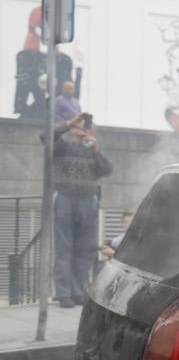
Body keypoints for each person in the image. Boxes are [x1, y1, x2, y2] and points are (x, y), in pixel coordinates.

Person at [52, 113, 113, 308]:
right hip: (65, 198)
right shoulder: (63, 147)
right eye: (79, 127)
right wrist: (69, 123)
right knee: (64, 247)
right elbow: (46, 137)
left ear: (92, 131)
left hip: (88, 200)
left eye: (86, 127)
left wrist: (95, 149)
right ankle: (63, 293)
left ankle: (78, 291)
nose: (82, 130)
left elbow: (106, 170)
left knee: (84, 249)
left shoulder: (93, 151)